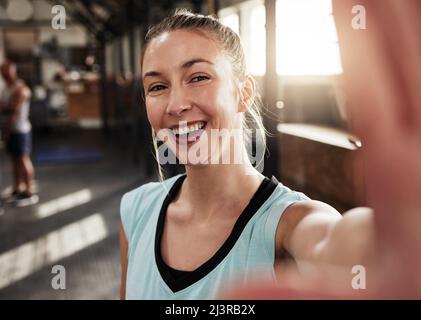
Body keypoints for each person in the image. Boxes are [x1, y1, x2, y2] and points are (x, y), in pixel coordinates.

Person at [119, 9, 375, 300]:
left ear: (244, 93)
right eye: (158, 86)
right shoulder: (136, 210)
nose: (176, 104)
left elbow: (338, 245)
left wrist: (381, 241)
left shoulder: (287, 225)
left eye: (198, 77)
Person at [0, 61, 38, 207]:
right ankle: (17, 189)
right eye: (2, 71)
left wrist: (6, 131)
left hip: (20, 130)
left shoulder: (21, 88)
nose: (4, 74)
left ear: (13, 71)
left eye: (7, 71)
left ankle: (30, 192)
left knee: (23, 160)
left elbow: (13, 112)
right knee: (14, 160)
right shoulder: (6, 89)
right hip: (11, 130)